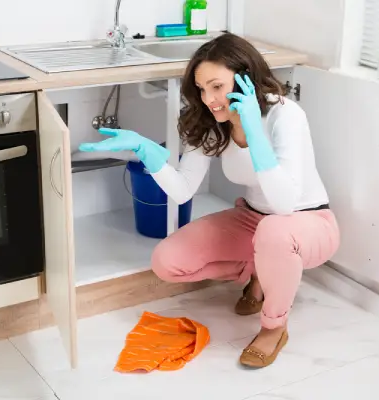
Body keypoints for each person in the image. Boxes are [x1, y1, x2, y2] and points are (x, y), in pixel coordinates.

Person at [78, 33, 340, 368]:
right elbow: (183, 189)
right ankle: (260, 271)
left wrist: (254, 133)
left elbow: (285, 203)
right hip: (255, 220)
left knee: (275, 232)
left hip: (307, 222)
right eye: (202, 89)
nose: (209, 99)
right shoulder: (212, 123)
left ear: (246, 77)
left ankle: (275, 327)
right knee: (168, 261)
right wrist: (146, 152)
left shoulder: (285, 115)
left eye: (217, 86)